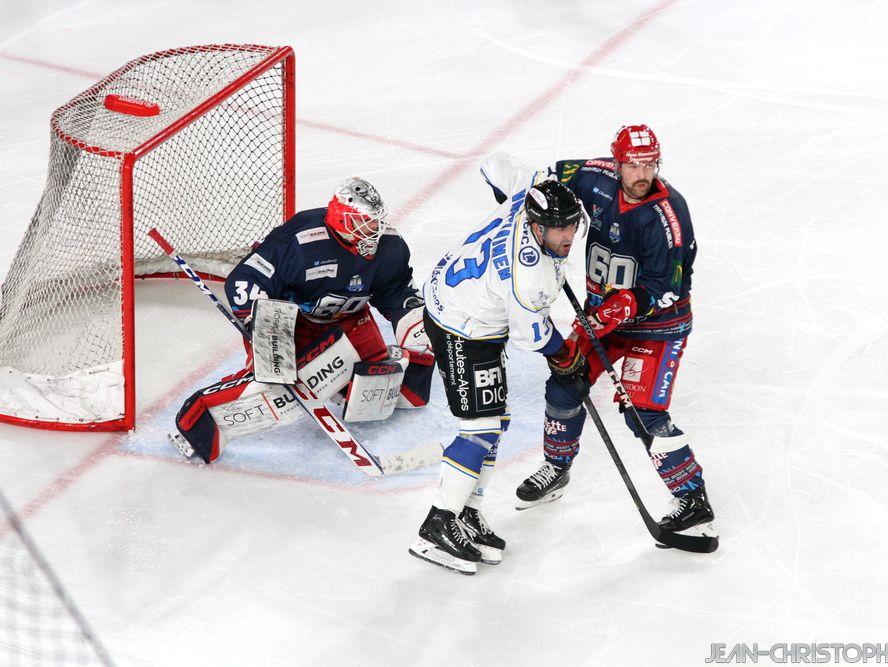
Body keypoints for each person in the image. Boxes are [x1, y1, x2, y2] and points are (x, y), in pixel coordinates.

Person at [509, 124, 717, 544]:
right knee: (565, 382)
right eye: (633, 164)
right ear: (618, 162)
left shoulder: (668, 218)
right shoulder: (594, 177)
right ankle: (557, 467)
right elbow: (548, 180)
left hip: (657, 326)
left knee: (643, 413)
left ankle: (693, 499)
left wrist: (618, 308)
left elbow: (668, 286)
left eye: (649, 164)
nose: (642, 173)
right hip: (601, 318)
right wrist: (524, 203)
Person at [170, 177, 434, 464]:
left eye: (376, 221)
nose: (375, 229)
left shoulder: (390, 247)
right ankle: (197, 422)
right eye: (366, 223)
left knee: (389, 392)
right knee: (274, 389)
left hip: (349, 319)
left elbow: (393, 292)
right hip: (292, 324)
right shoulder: (300, 241)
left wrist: (413, 319)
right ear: (343, 219)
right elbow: (246, 278)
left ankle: (341, 383)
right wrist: (261, 323)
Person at [410, 159, 588, 575]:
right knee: (480, 428)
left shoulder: (528, 195)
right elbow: (532, 336)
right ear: (537, 226)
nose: (568, 237)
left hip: (474, 311)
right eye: (559, 230)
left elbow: (493, 166)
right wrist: (565, 356)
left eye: (571, 227)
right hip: (460, 325)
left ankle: (466, 512)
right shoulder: (530, 276)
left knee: (496, 421)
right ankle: (437, 524)